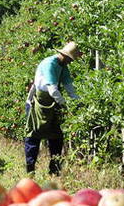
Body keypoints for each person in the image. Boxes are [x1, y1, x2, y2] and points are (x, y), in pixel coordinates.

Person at [24, 41, 83, 175]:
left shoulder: (63, 66)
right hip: (39, 102)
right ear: (63, 55)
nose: (70, 62)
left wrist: (78, 101)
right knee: (34, 136)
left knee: (57, 136)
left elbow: (69, 88)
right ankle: (30, 170)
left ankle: (54, 170)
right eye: (69, 59)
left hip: (53, 103)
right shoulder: (49, 64)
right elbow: (52, 89)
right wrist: (64, 104)